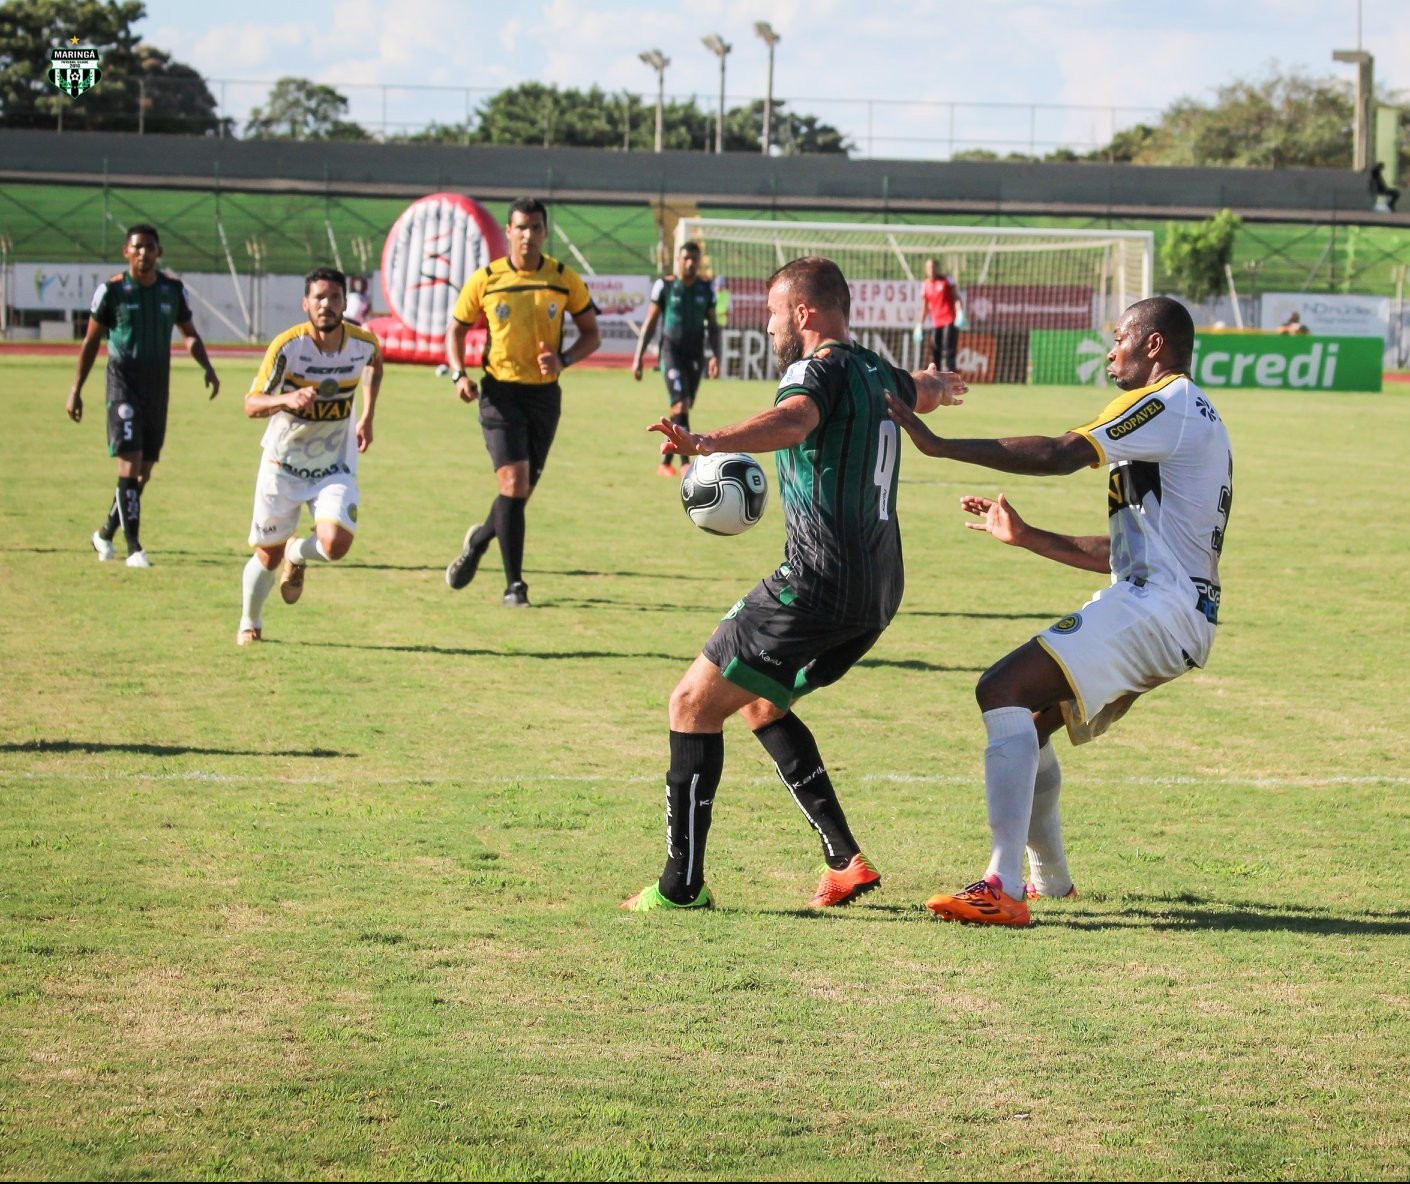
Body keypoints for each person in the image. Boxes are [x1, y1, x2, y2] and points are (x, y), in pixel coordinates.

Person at [621, 256, 967, 912]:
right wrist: (941, 386)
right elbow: (917, 388)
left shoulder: (814, 369)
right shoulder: (874, 370)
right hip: (879, 591)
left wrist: (707, 442)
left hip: (815, 581)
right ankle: (845, 861)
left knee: (690, 704)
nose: (769, 323)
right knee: (759, 701)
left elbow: (796, 420)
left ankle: (680, 889)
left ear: (804, 314)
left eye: (775, 312)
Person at [885, 296, 1232, 927]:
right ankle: (1051, 881)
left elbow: (1057, 453)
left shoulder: (1168, 402)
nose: (1111, 349)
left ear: (1153, 346)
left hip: (1162, 610)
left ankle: (1003, 886)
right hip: (1168, 606)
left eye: (1121, 338)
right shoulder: (1182, 416)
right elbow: (1129, 554)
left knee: (1002, 688)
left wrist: (936, 445)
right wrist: (1028, 537)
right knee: (1032, 721)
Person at [443, 197, 601, 607]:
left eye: (535, 227)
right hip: (499, 392)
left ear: (544, 232)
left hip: (544, 397)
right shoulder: (486, 278)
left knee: (519, 493)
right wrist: (460, 374)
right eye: (520, 227)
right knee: (513, 484)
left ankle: (478, 540)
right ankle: (515, 586)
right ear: (508, 231)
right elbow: (456, 331)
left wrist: (564, 359)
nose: (528, 235)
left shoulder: (563, 279)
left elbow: (591, 333)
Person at [236, 267, 382, 646]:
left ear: (345, 303)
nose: (327, 305)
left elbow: (374, 365)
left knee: (334, 546)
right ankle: (250, 622)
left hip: (334, 464)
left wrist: (367, 415)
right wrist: (287, 398)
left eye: (335, 298)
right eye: (319, 298)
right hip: (283, 465)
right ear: (305, 303)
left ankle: (297, 553)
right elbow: (251, 404)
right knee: (266, 558)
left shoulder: (362, 343)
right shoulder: (287, 347)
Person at [66, 223, 220, 567]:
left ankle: (105, 532)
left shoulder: (172, 291)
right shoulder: (112, 292)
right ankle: (134, 547)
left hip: (157, 389)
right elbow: (91, 341)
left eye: (150, 247)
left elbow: (189, 333)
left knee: (143, 472)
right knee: (129, 463)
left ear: (159, 253)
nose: (143, 253)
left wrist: (207, 367)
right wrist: (75, 390)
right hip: (123, 385)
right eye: (136, 247)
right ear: (126, 252)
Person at [631, 241, 722, 476]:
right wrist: (638, 357)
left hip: (695, 355)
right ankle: (685, 464)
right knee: (680, 404)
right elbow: (650, 323)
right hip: (671, 353)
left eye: (695, 258)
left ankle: (664, 464)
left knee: (681, 408)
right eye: (686, 258)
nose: (690, 263)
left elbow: (713, 326)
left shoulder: (706, 288)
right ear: (678, 260)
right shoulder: (665, 286)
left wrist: (716, 356)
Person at [919, 258, 962, 373]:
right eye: (929, 267)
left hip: (949, 320)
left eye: (933, 267)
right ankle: (936, 380)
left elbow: (956, 297)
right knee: (935, 353)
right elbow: (924, 307)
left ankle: (951, 380)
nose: (931, 270)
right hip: (936, 323)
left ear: (937, 268)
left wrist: (960, 313)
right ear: (926, 270)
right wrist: (919, 325)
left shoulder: (946, 280)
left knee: (948, 352)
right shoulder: (926, 285)